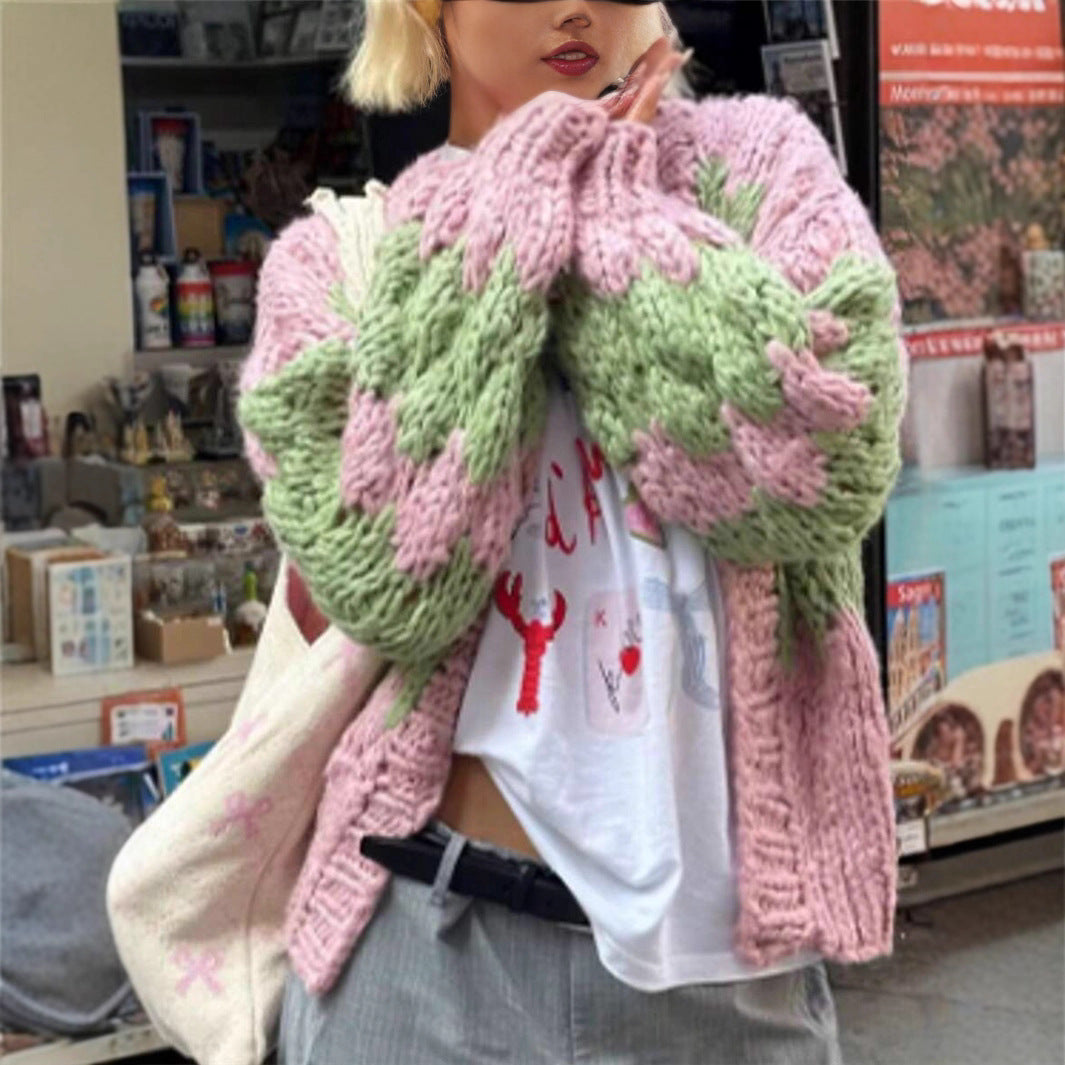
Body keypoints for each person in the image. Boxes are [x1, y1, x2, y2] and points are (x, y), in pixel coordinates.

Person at [235, 2, 907, 1062]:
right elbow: (392, 579)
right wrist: (518, 193)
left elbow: (824, 458)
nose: (578, 5)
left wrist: (611, 202)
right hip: (423, 954)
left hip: (728, 980)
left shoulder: (759, 168)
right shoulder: (340, 259)